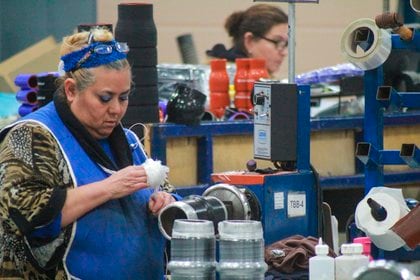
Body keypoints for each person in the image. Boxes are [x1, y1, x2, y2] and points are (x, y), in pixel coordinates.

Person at [0, 28, 177, 279]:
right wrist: (108, 188)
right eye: (105, 98)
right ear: (71, 90)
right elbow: (23, 216)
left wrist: (165, 202)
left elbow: (167, 191)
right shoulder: (32, 137)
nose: (116, 110)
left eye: (124, 97)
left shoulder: (127, 141)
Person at [206, 4, 288, 76]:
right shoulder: (225, 79)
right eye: (277, 42)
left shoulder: (264, 78)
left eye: (285, 44)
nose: (284, 53)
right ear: (250, 41)